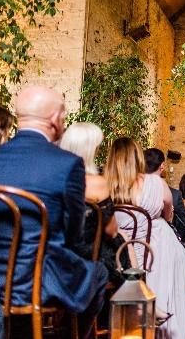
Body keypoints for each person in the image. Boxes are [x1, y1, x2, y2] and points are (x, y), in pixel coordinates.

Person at [0, 86, 108, 339]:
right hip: (35, 283)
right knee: (98, 273)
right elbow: (73, 235)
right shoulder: (66, 164)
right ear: (56, 120)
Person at [107, 138, 185, 339]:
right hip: (152, 247)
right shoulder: (156, 182)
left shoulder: (106, 185)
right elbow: (167, 214)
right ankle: (168, 326)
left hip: (118, 250)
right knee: (177, 253)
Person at [60, 122, 136, 287]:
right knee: (121, 238)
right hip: (86, 250)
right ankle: (136, 299)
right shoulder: (96, 183)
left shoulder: (54, 178)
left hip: (57, 246)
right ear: (90, 151)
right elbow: (111, 231)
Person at [144, 148, 185, 281]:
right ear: (162, 166)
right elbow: (183, 231)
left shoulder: (133, 190)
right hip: (165, 246)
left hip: (139, 243)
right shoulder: (174, 194)